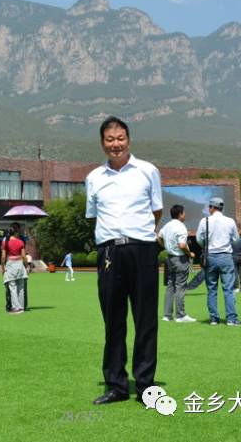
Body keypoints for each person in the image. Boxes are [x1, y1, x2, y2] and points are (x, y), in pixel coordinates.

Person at [86, 116, 162, 405]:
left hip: (142, 249)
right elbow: (94, 215)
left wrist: (138, 233)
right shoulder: (94, 178)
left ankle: (145, 387)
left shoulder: (148, 171)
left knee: (145, 320)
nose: (115, 144)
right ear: (102, 143)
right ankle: (116, 385)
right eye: (109, 139)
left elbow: (156, 211)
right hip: (109, 253)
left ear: (128, 140)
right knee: (113, 320)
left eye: (120, 138)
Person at [195, 197, 241, 326]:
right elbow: (236, 239)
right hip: (226, 256)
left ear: (211, 207)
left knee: (212, 289)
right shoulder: (230, 221)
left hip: (210, 256)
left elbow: (199, 239)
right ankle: (231, 319)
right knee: (228, 289)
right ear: (222, 208)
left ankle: (214, 319)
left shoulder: (204, 221)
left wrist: (206, 245)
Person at [158, 204, 195, 323]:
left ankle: (167, 315)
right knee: (180, 286)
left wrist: (165, 246)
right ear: (180, 214)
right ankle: (180, 315)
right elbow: (182, 245)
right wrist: (190, 254)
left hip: (170, 258)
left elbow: (159, 237)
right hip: (180, 258)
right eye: (184, 213)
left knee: (170, 286)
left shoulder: (167, 225)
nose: (185, 215)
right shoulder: (181, 227)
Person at [1, 223, 28, 314]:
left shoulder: (6, 242)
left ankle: (15, 308)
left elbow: (3, 257)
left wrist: (2, 267)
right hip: (20, 264)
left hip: (10, 264)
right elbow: (23, 256)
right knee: (21, 287)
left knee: (12, 287)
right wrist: (26, 266)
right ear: (17, 231)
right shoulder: (20, 242)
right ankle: (21, 307)